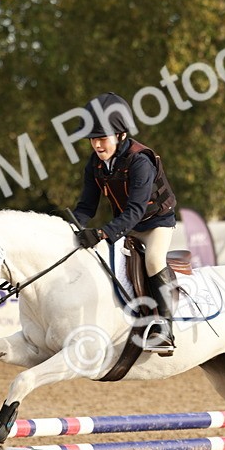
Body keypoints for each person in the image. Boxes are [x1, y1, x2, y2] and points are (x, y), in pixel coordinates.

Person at [72, 92, 179, 352]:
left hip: (155, 223)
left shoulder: (140, 161)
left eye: (102, 138)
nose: (97, 145)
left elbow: (134, 211)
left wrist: (101, 232)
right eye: (92, 139)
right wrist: (71, 227)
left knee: (153, 260)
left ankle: (165, 329)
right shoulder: (96, 164)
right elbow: (87, 206)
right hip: (128, 223)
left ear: (120, 135)